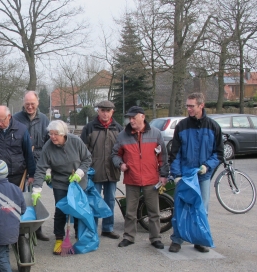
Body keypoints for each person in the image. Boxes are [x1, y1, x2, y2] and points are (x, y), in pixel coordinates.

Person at [168, 92, 224, 253]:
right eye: (187, 105)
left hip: (203, 176)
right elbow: (175, 153)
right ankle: (177, 240)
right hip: (185, 176)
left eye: (191, 106)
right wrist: (177, 174)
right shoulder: (182, 126)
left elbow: (219, 153)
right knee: (180, 207)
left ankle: (199, 240)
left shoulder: (213, 127)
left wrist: (207, 166)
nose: (189, 109)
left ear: (201, 105)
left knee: (201, 209)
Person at [111, 106, 169, 249]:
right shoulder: (123, 135)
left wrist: (163, 175)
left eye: (133, 117)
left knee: (154, 211)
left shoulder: (156, 134)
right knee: (130, 211)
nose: (131, 120)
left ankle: (155, 238)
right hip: (132, 178)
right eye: (129, 118)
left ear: (142, 116)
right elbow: (115, 155)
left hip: (151, 179)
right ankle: (129, 237)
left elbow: (163, 156)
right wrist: (121, 164)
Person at [31, 120, 92, 255]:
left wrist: (79, 173)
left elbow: (87, 159)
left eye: (56, 134)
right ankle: (59, 238)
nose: (52, 137)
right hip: (60, 182)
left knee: (77, 210)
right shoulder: (48, 147)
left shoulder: (76, 142)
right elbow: (41, 168)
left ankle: (78, 235)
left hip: (77, 181)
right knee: (60, 210)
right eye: (50, 134)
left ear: (64, 134)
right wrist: (36, 189)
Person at [81, 100, 123, 240]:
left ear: (112, 112)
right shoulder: (89, 128)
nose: (105, 113)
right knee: (93, 201)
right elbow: (82, 150)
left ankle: (107, 228)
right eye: (102, 110)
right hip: (94, 171)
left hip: (112, 170)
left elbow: (123, 150)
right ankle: (92, 228)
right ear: (98, 111)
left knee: (110, 200)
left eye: (108, 111)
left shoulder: (118, 128)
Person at [13, 91, 50, 241]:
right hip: (20, 163)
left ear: (37, 103)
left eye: (32, 104)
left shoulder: (44, 119)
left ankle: (36, 229)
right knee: (19, 196)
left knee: (35, 196)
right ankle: (19, 230)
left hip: (38, 163)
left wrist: (48, 164)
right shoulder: (16, 119)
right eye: (27, 104)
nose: (30, 106)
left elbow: (49, 143)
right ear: (23, 103)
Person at [0, 105, 36, 188]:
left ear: (9, 116)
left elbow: (28, 154)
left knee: (15, 200)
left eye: (2, 120)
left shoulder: (21, 129)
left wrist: (32, 175)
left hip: (17, 176)